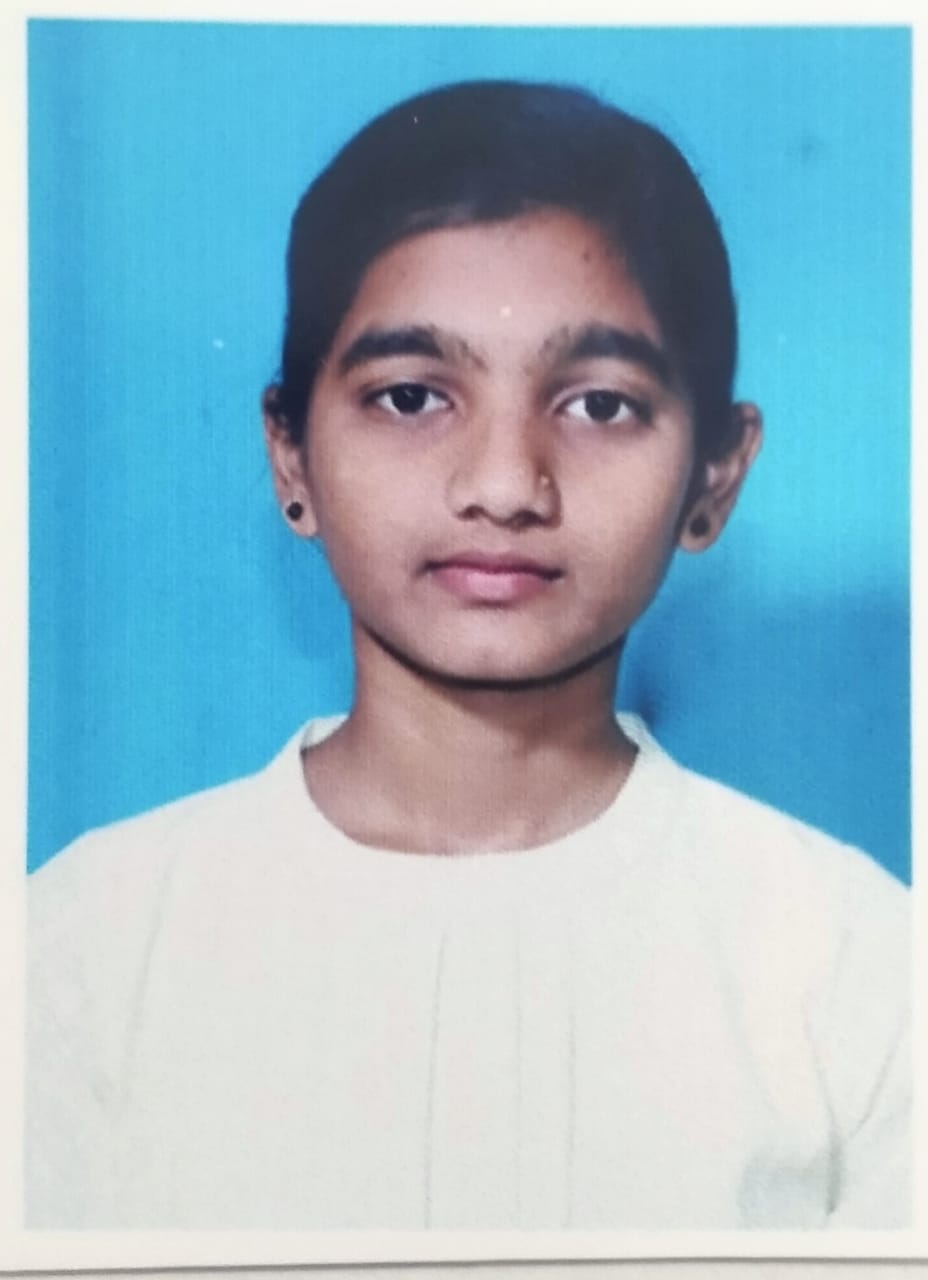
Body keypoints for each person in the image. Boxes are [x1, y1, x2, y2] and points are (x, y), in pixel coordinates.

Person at [26, 80, 909, 1231]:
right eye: (409, 396)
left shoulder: (853, 969)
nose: (503, 485)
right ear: (289, 453)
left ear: (715, 474)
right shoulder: (82, 952)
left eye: (599, 406)